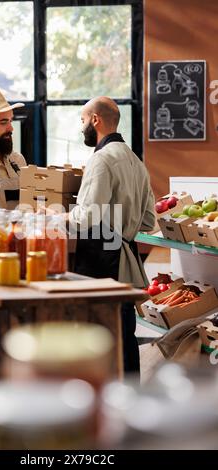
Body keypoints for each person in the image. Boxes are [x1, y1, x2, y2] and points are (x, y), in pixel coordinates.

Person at [68, 96, 156, 373]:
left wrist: (56, 217)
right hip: (126, 263)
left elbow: (86, 217)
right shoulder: (135, 161)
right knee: (125, 337)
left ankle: (100, 406)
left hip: (100, 263)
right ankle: (130, 401)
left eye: (83, 121)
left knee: (98, 338)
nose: (82, 127)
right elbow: (148, 221)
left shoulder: (101, 160)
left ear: (95, 120)